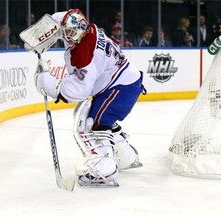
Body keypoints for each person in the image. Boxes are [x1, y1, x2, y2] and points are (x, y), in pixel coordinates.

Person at [33, 9, 145, 187]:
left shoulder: (86, 54)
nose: (70, 38)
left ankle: (105, 170)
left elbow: (78, 91)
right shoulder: (84, 26)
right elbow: (61, 18)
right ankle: (126, 156)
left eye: (72, 35)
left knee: (91, 125)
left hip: (120, 88)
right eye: (66, 33)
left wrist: (47, 83)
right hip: (123, 84)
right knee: (102, 120)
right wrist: (39, 35)